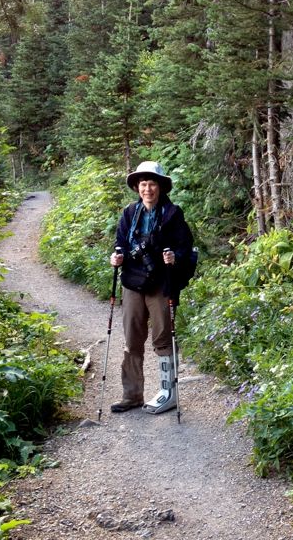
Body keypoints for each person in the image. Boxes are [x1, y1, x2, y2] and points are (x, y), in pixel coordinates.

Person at [109, 161, 193, 414]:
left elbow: (185, 246)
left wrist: (174, 257)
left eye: (152, 183)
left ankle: (169, 394)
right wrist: (117, 257)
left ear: (160, 187)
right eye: (143, 184)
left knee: (162, 338)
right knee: (132, 339)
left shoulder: (172, 214)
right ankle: (132, 395)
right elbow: (119, 243)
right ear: (137, 187)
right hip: (133, 282)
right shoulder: (129, 213)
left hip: (161, 284)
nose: (148, 189)